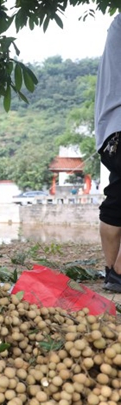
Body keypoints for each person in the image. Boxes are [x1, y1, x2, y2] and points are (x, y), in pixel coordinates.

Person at [96, 14, 121, 292]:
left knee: (116, 200)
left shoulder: (117, 24)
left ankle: (113, 274)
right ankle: (118, 272)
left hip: (110, 132)